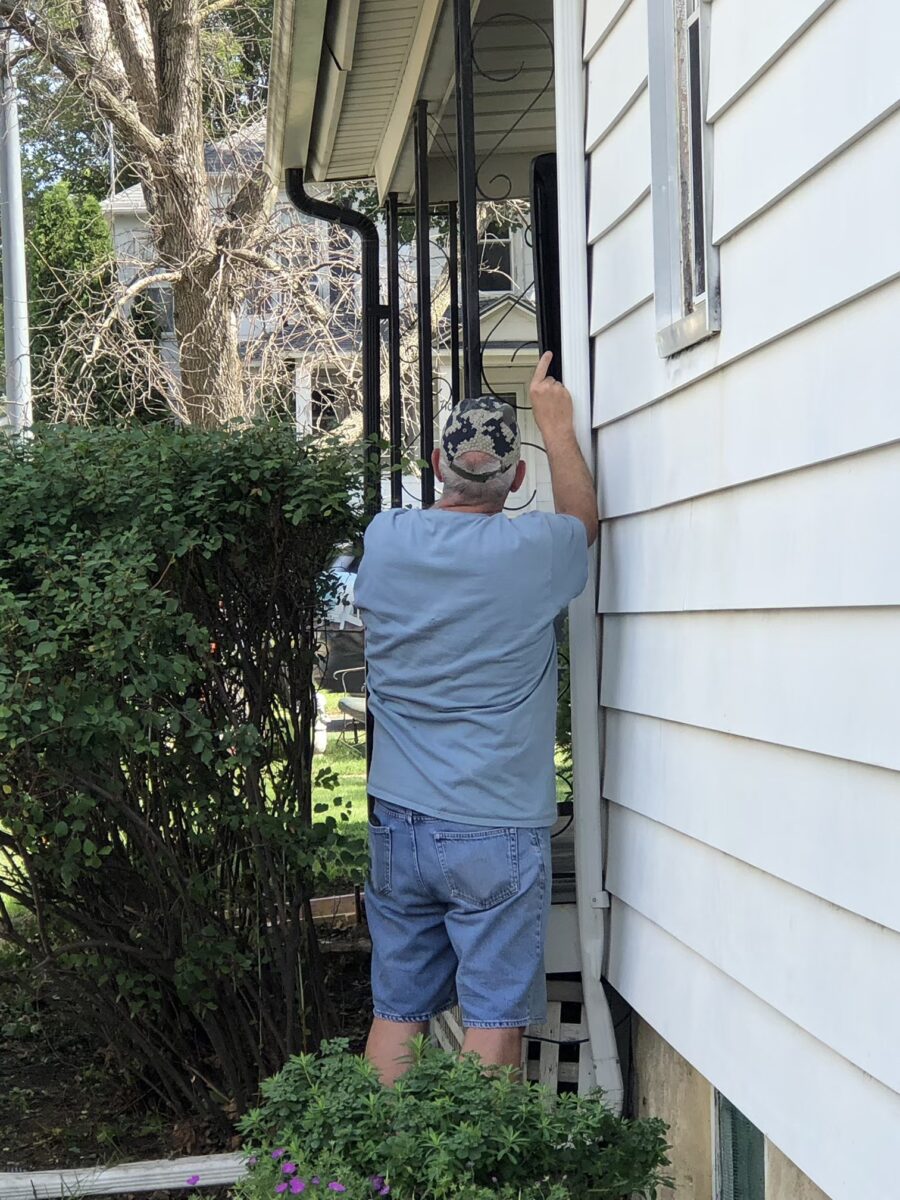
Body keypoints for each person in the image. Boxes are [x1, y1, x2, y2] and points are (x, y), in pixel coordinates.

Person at [353, 351, 598, 1085]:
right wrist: (556, 425)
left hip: (400, 819)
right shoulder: (534, 550)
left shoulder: (386, 538)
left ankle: (376, 1175)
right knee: (493, 1021)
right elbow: (582, 519)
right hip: (495, 826)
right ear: (516, 478)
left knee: (398, 1010)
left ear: (436, 463)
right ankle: (477, 1179)